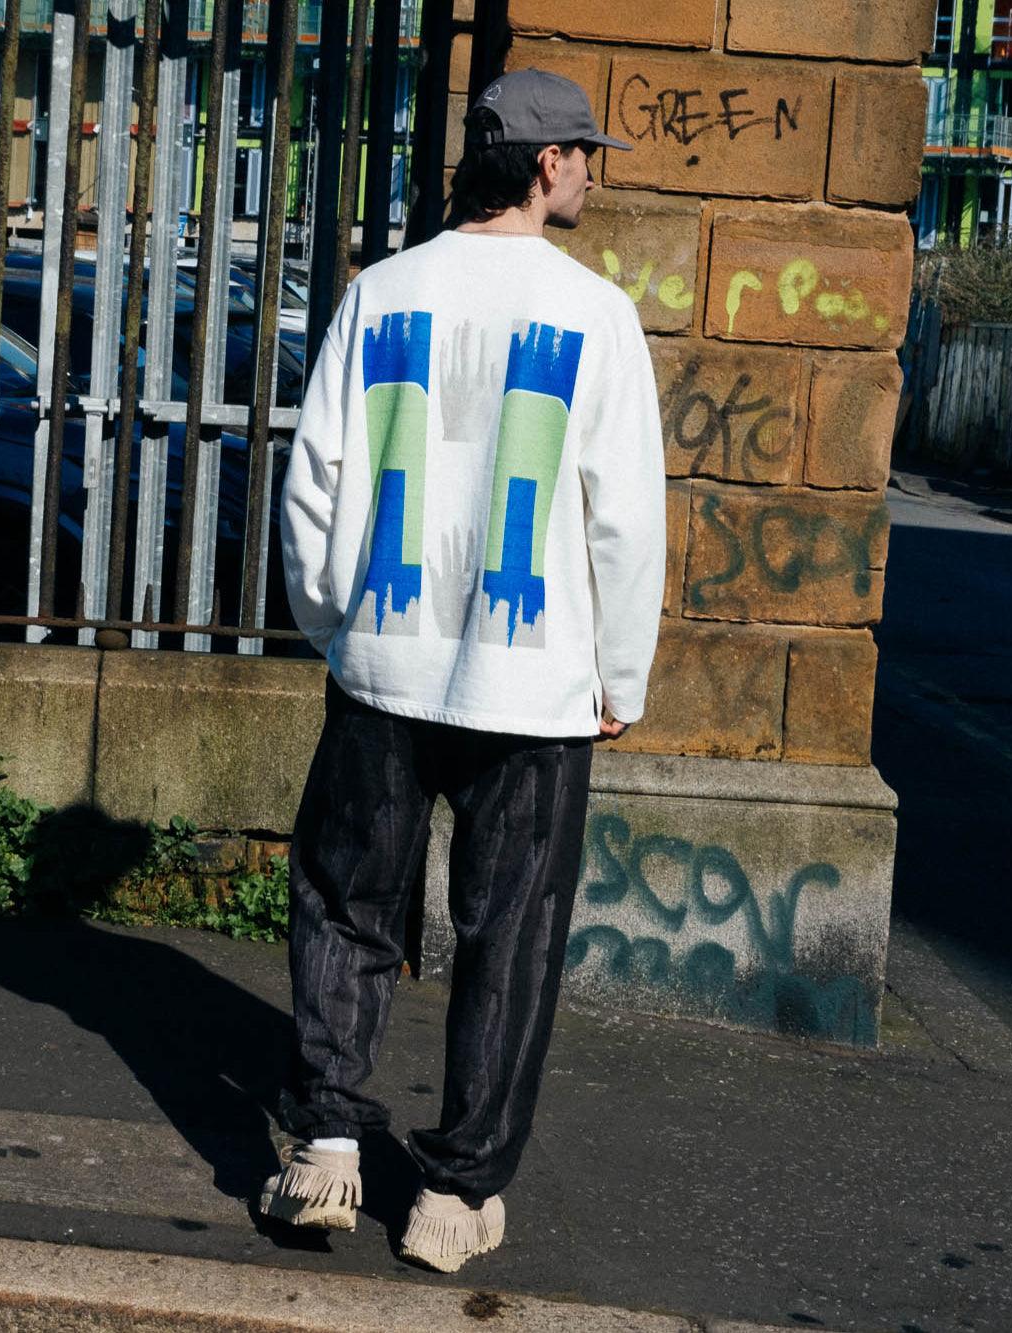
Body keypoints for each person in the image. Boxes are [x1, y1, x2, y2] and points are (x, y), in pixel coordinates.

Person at [263, 68, 665, 1273]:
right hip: (531, 686)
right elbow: (625, 520)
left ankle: (325, 1145)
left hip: (384, 665)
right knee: (511, 934)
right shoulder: (594, 315)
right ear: (546, 167)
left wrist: (339, 626)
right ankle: (455, 1195)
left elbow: (313, 486)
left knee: (346, 905)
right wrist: (620, 677)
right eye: (585, 153)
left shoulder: (378, 294)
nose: (592, 170)